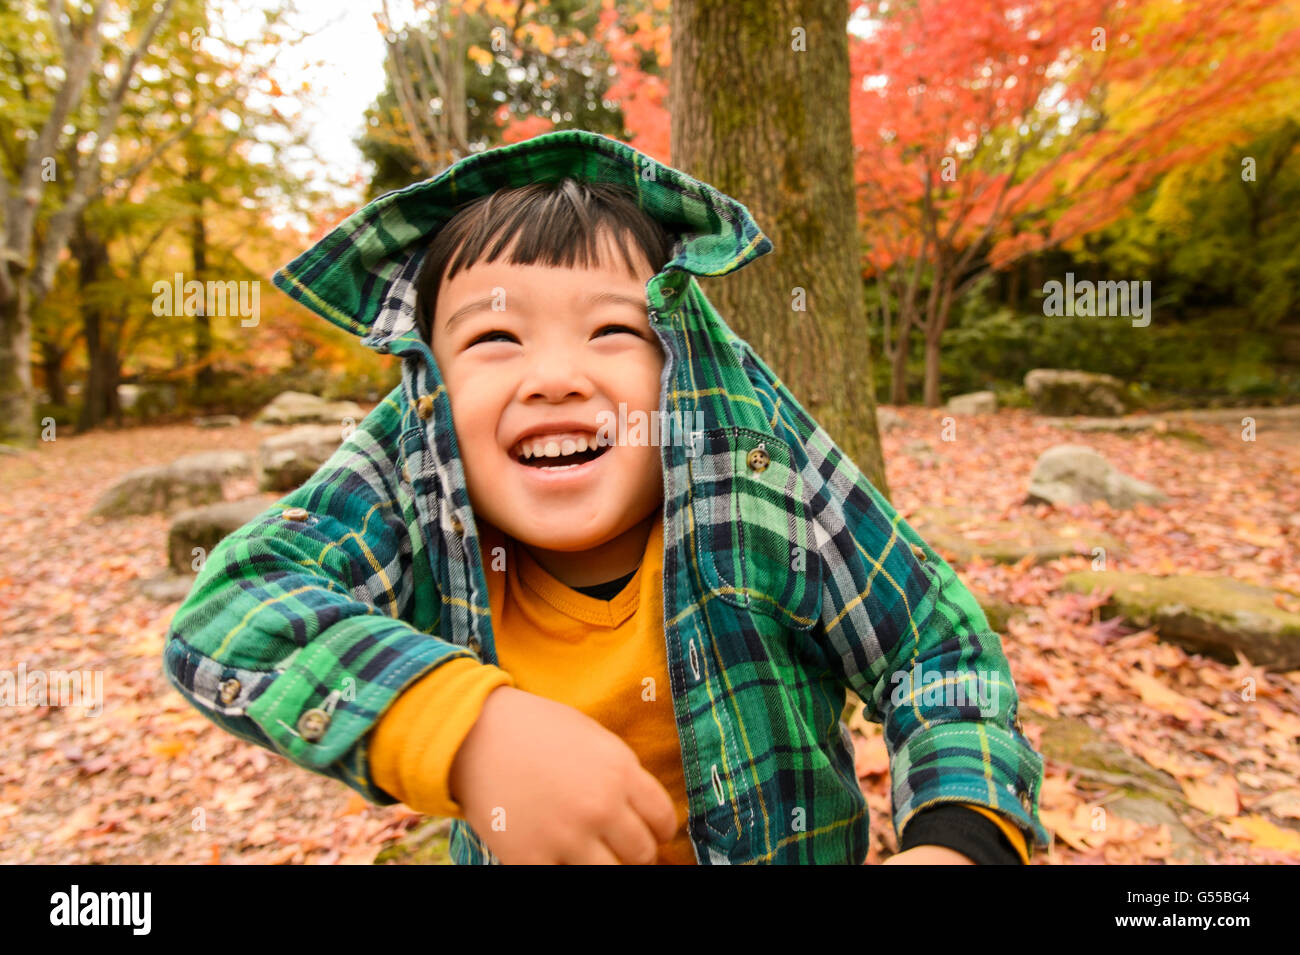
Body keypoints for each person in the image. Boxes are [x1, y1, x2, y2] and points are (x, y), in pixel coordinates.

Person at [162, 129, 1050, 864]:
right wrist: (461, 727)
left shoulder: (758, 477)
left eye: (614, 330)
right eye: (496, 337)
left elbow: (936, 647)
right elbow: (230, 615)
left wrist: (959, 837)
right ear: (430, 392)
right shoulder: (418, 485)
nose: (554, 377)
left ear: (681, 363)